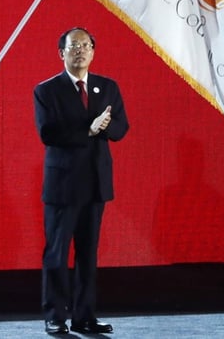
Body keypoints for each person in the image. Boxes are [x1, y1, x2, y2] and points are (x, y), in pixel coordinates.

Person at [34, 27, 128, 336]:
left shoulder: (107, 87)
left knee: (88, 254)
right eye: (74, 46)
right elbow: (48, 133)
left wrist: (103, 127)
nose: (80, 51)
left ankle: (85, 316)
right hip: (63, 187)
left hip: (95, 183)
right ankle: (55, 316)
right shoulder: (47, 90)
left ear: (93, 51)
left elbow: (120, 128)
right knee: (57, 253)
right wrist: (88, 129)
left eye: (86, 45)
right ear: (61, 53)